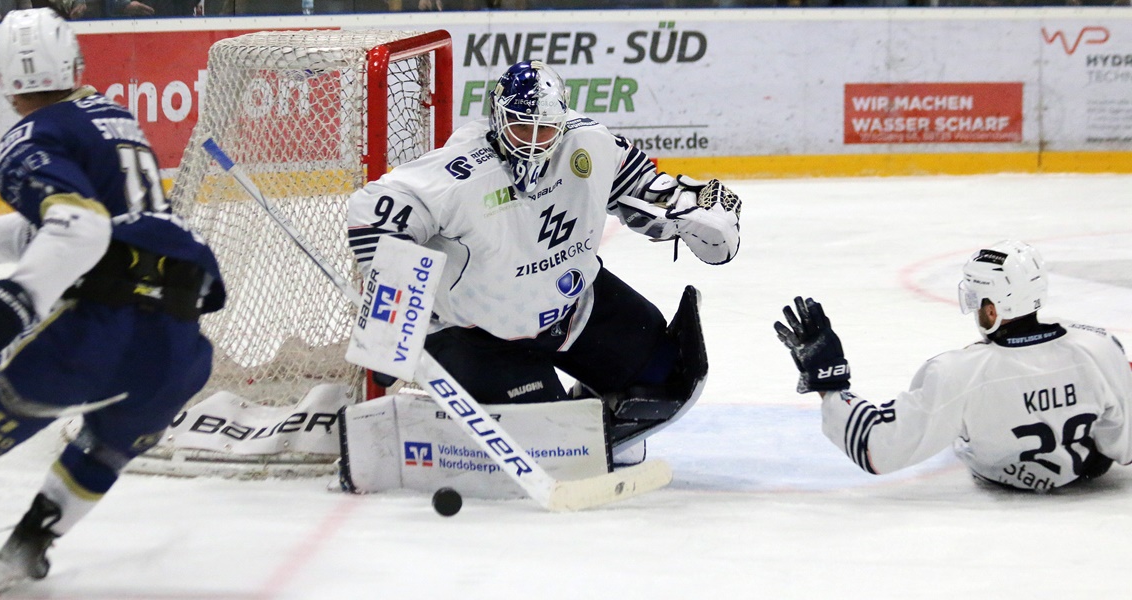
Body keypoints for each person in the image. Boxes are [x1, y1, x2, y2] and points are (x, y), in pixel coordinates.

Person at [0, 8, 224, 594]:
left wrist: (7, 303)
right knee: (103, 445)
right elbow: (100, 225)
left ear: (4, 82)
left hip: (94, 334)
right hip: (176, 346)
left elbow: (78, 229)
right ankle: (29, 545)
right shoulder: (114, 118)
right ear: (75, 62)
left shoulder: (30, 136)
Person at [346, 60, 741, 454]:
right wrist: (390, 324)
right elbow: (371, 215)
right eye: (521, 126)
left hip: (573, 307)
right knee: (550, 442)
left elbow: (649, 191)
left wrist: (697, 215)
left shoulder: (590, 144)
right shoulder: (459, 174)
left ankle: (588, 405)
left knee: (665, 376)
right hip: (478, 335)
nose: (534, 141)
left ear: (563, 120)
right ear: (498, 118)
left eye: (546, 128)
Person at [775, 240, 1132, 492]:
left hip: (1000, 519)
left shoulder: (960, 374)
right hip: (1086, 492)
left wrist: (829, 381)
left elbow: (877, 446)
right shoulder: (1099, 348)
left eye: (977, 299)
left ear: (993, 309)